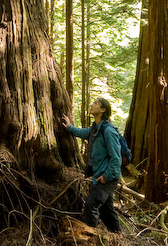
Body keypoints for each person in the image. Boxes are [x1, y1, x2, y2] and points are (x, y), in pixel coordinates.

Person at [62, 97, 121, 233]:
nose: (92, 105)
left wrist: (106, 176)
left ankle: (92, 236)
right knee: (107, 209)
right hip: (101, 175)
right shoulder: (96, 128)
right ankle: (118, 236)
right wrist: (70, 127)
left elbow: (116, 158)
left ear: (103, 110)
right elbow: (83, 133)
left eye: (95, 103)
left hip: (107, 177)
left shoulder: (108, 131)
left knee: (91, 204)